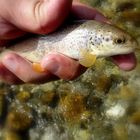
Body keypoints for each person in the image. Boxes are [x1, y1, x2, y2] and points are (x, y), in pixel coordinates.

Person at [0, 0, 136, 84]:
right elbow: (85, 61)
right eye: (119, 41)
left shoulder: (93, 40)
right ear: (95, 40)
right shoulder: (90, 52)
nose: (124, 44)